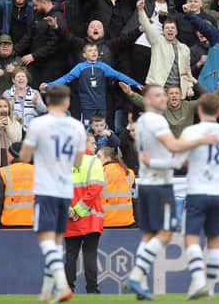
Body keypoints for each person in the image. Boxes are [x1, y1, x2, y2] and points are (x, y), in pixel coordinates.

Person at [124, 85, 218, 301]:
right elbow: (174, 145)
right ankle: (137, 275)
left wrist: (172, 160)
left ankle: (141, 285)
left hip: (147, 183)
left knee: (149, 236)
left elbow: (160, 152)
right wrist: (200, 141)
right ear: (146, 99)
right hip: (159, 185)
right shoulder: (156, 120)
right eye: (158, 95)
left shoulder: (141, 123)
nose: (163, 98)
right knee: (166, 233)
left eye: (163, 94)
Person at [18, 85, 87, 303]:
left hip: (45, 188)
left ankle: (63, 285)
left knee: (45, 240)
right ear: (66, 101)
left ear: (47, 101)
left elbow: (24, 157)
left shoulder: (38, 124)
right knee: (56, 243)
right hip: (65, 189)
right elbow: (78, 161)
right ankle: (46, 294)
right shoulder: (77, 126)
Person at [64, 133, 105, 294]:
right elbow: (95, 188)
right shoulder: (94, 161)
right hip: (90, 217)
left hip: (70, 218)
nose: (95, 146)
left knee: (71, 254)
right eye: (93, 143)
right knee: (90, 253)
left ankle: (68, 289)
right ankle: (92, 290)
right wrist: (79, 210)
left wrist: (70, 210)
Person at [0, 142, 35, 229]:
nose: (7, 157)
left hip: (9, 222)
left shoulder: (4, 172)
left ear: (14, 155)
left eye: (8, 154)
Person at [99, 146, 135, 228]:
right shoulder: (129, 173)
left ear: (107, 158)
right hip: (127, 222)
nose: (96, 159)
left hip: (106, 222)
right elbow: (134, 197)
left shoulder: (99, 173)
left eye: (99, 156)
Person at [2, 66, 47, 131]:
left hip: (31, 130)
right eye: (18, 77)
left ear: (27, 80)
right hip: (12, 130)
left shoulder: (35, 92)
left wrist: (36, 103)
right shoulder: (7, 93)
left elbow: (44, 110)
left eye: (23, 76)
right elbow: (2, 112)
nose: (21, 78)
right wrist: (13, 101)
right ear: (13, 80)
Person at [0, 97, 23, 172]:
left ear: (9, 108)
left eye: (5, 106)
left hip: (10, 162)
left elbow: (16, 141)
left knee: (9, 184)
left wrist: (8, 124)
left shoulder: (16, 122)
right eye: (0, 106)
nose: (2, 109)